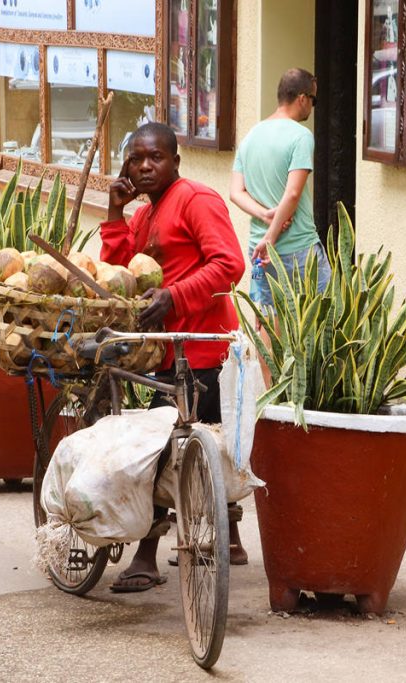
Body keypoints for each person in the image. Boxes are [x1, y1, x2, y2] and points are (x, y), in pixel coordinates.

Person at [101, 122, 246, 592]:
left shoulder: (196, 200)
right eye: (136, 158)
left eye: (155, 157)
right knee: (201, 442)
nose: (145, 166)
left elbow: (229, 264)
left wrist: (175, 296)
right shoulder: (144, 216)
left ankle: (146, 556)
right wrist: (115, 212)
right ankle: (231, 540)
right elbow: (122, 274)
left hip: (202, 346)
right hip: (165, 352)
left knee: (162, 450)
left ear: (175, 162)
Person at [230, 68, 331, 308]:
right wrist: (272, 238)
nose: (312, 107)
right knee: (321, 317)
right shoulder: (301, 136)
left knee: (267, 319)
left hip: (257, 250)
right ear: (302, 99)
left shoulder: (251, 135)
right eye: (313, 100)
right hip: (296, 248)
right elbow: (293, 192)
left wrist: (264, 216)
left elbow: (236, 192)